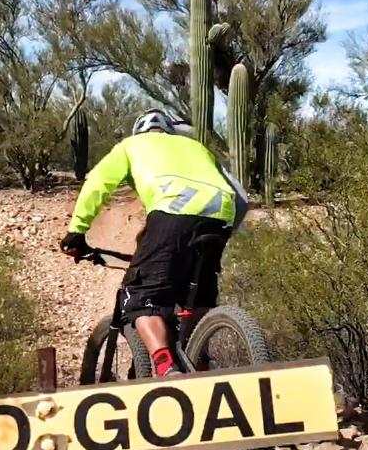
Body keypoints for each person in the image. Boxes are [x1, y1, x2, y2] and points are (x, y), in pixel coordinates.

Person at [60, 109, 248, 377]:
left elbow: (98, 183)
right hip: (219, 218)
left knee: (141, 298)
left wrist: (77, 231)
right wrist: (226, 230)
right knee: (199, 297)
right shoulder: (196, 147)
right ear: (170, 130)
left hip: (172, 214)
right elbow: (241, 197)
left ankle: (164, 365)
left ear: (139, 131)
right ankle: (200, 360)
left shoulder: (131, 145)